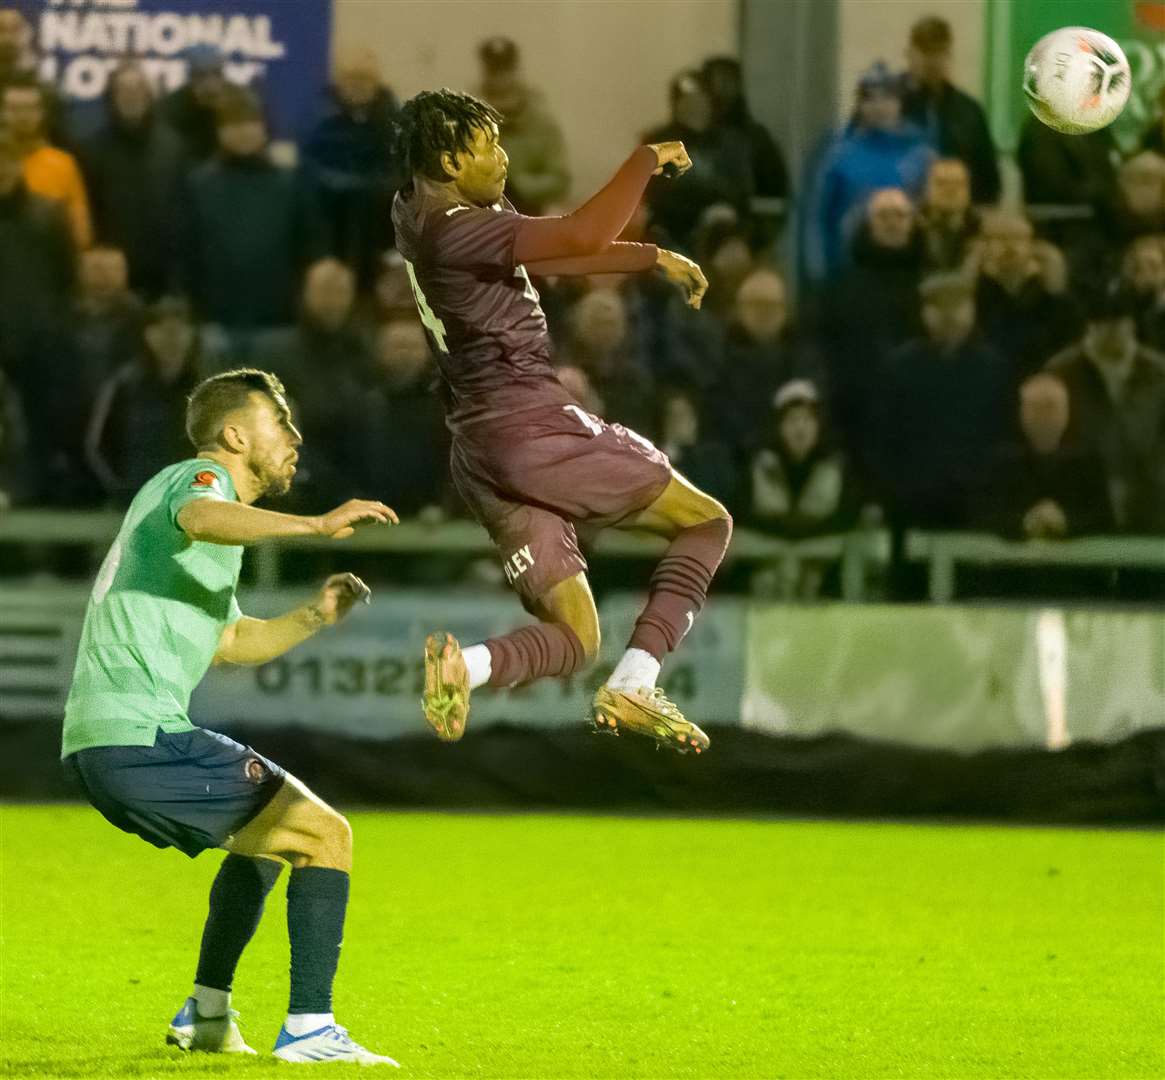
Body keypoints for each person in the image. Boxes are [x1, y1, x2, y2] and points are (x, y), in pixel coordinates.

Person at [62, 367, 398, 1064]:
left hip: (113, 740)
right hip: (139, 734)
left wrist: (312, 615)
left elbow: (232, 642)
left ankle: (208, 1014)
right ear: (235, 434)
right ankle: (310, 1027)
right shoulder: (197, 479)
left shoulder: (204, 548)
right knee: (326, 836)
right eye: (282, 423)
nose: (296, 438)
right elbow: (202, 513)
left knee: (275, 838)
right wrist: (316, 523)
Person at [391, 89, 729, 753]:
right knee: (705, 522)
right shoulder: (457, 226)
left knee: (575, 638)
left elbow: (551, 252)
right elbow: (577, 234)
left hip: (479, 446)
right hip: (530, 423)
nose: (505, 158)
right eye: (490, 146)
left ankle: (469, 666)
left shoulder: (415, 209)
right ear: (452, 161)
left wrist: (646, 257)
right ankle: (636, 682)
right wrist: (643, 162)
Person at [182, 87, 323, 339]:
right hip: (215, 325)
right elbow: (185, 254)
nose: (243, 131)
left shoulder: (289, 184)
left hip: (279, 325)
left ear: (264, 127)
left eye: (250, 121)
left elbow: (309, 249)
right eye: (233, 123)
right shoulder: (198, 185)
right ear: (219, 131)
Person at [874, 272, 1010, 530]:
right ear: (925, 312)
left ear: (972, 309)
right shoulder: (899, 366)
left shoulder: (993, 367)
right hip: (914, 503)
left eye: (957, 305)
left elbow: (1001, 433)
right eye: (940, 306)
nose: (950, 315)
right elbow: (884, 437)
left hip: (978, 502)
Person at [1046, 284, 1165, 533]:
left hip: (1151, 502)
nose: (1113, 331)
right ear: (1090, 326)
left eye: (1120, 321)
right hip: (1081, 502)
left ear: (1132, 324)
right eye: (1103, 323)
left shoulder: (1157, 372)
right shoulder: (1062, 372)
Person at [804, 61, 932, 281]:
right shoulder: (837, 156)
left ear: (900, 102)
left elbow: (931, 219)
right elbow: (816, 219)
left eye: (887, 98)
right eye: (870, 98)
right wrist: (818, 274)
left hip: (907, 273)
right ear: (860, 105)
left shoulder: (922, 156)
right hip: (848, 274)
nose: (879, 106)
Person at [0, 124, 74, 502]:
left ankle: (37, 522)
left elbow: (67, 277)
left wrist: (50, 327)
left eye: (7, 161)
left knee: (38, 440)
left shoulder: (48, 215)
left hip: (36, 345)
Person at [85, 297, 209, 502]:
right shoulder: (124, 385)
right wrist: (121, 489)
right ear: (146, 335)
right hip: (136, 500)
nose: (170, 339)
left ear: (192, 334)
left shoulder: (211, 389)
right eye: (161, 330)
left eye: (178, 330)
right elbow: (97, 445)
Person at [79, 60, 186, 298]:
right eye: (123, 90)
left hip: (165, 280)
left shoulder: (173, 148)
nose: (131, 96)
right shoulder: (92, 149)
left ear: (149, 95)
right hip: (112, 280)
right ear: (111, 97)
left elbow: (183, 214)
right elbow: (88, 215)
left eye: (138, 89)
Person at [301, 47, 404, 289]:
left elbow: (402, 178)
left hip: (381, 243)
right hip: (330, 241)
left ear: (377, 82)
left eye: (364, 78)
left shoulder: (396, 123)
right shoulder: (318, 119)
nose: (357, 85)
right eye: (350, 78)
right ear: (338, 81)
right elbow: (310, 175)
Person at [979, 372, 1113, 540]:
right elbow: (984, 518)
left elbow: (1104, 521)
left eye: (1050, 407)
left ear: (1066, 413)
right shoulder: (1002, 464)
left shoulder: (1087, 463)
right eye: (1034, 408)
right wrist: (1026, 522)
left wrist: (1064, 522)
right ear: (1022, 414)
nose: (1042, 416)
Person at [711, 266, 824, 456]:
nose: (765, 312)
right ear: (738, 309)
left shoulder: (806, 362)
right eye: (756, 304)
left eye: (773, 305)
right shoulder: (718, 361)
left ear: (786, 311)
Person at [641, 70, 753, 251]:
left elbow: (740, 192)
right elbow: (657, 194)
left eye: (701, 101)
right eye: (687, 102)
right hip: (672, 233)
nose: (695, 108)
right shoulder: (659, 143)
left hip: (722, 235)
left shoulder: (730, 144)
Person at [900, 15, 1000, 205]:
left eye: (940, 52)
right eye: (925, 52)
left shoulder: (969, 111)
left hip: (958, 218)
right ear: (909, 54)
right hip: (903, 217)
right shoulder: (890, 107)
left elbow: (989, 179)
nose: (932, 61)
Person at [974, 210, 1079, 385]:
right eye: (999, 238)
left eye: (1018, 238)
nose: (1009, 246)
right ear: (983, 246)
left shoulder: (1053, 299)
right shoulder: (974, 298)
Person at [475, 36, 570, 216]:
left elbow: (560, 180)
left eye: (505, 69)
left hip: (529, 218)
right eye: (494, 70)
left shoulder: (541, 122)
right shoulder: (471, 117)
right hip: (482, 220)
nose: (500, 77)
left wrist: (519, 185)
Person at [3, 76, 91, 248]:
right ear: (3, 112)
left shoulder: (63, 164)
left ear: (41, 113)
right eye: (14, 109)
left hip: (46, 266)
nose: (22, 116)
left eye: (29, 108)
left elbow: (80, 233)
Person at [700, 56, 789, 201]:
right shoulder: (688, 137)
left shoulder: (755, 138)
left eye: (728, 81)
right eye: (715, 82)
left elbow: (773, 190)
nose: (721, 89)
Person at [161, 44, 228, 163]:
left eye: (217, 74)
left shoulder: (235, 103)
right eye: (202, 76)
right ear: (190, 78)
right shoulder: (169, 109)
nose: (210, 84)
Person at [917, 157, 979, 271]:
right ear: (925, 189)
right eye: (941, 183)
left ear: (969, 190)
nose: (950, 189)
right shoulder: (909, 229)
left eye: (958, 184)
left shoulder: (983, 230)